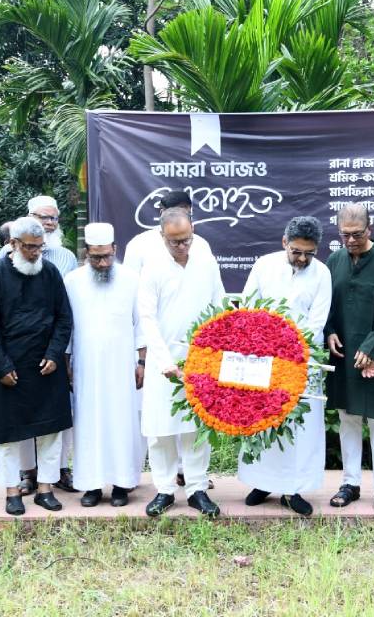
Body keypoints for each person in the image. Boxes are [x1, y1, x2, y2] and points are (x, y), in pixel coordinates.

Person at [237, 216, 333, 517]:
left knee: (300, 427)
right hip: (263, 360)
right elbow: (247, 307)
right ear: (284, 243)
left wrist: (291, 350)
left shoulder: (322, 273)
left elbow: (317, 322)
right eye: (296, 251)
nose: (303, 258)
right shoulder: (264, 265)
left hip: (303, 361)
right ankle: (262, 483)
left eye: (309, 253)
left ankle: (294, 489)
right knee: (264, 422)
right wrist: (266, 347)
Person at [0, 216, 74, 515]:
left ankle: (45, 488)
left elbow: (63, 318)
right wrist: (2, 365)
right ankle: (11, 491)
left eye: (39, 247)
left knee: (50, 430)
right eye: (30, 247)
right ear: (13, 243)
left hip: (46, 364)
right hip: (7, 368)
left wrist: (55, 354)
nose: (35, 253)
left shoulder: (51, 273)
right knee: (8, 434)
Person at [138, 208, 226, 518]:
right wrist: (163, 361)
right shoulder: (152, 267)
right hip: (163, 361)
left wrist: (213, 351)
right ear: (162, 236)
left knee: (195, 427)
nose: (182, 247)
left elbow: (219, 305)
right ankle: (164, 490)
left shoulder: (206, 260)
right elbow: (146, 317)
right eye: (175, 242)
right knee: (160, 429)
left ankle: (197, 489)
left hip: (200, 357)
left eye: (186, 240)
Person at [325, 203, 374, 512]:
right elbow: (325, 304)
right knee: (347, 419)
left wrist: (372, 348)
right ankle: (350, 483)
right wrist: (329, 330)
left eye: (357, 234)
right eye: (345, 234)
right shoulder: (334, 260)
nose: (351, 240)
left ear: (369, 230)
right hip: (343, 354)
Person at [63, 223, 146, 508]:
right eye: (95, 257)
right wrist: (67, 362)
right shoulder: (72, 281)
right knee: (88, 422)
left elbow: (141, 324)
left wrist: (142, 362)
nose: (102, 263)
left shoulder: (131, 279)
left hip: (123, 364)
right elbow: (68, 326)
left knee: (121, 421)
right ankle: (92, 485)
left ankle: (122, 483)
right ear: (86, 253)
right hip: (85, 364)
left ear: (115, 250)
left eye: (106, 256)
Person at [2, 195, 78, 494]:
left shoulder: (66, 258)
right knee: (21, 411)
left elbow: (67, 309)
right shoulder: (3, 260)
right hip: (18, 350)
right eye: (41, 217)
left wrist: (63, 353)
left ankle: (59, 469)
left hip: (55, 350)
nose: (47, 223)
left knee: (58, 412)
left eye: (53, 218)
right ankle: (28, 473)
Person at [122, 190, 214, 278]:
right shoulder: (138, 245)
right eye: (173, 215)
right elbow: (130, 284)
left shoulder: (202, 245)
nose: (179, 220)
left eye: (185, 215)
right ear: (162, 213)